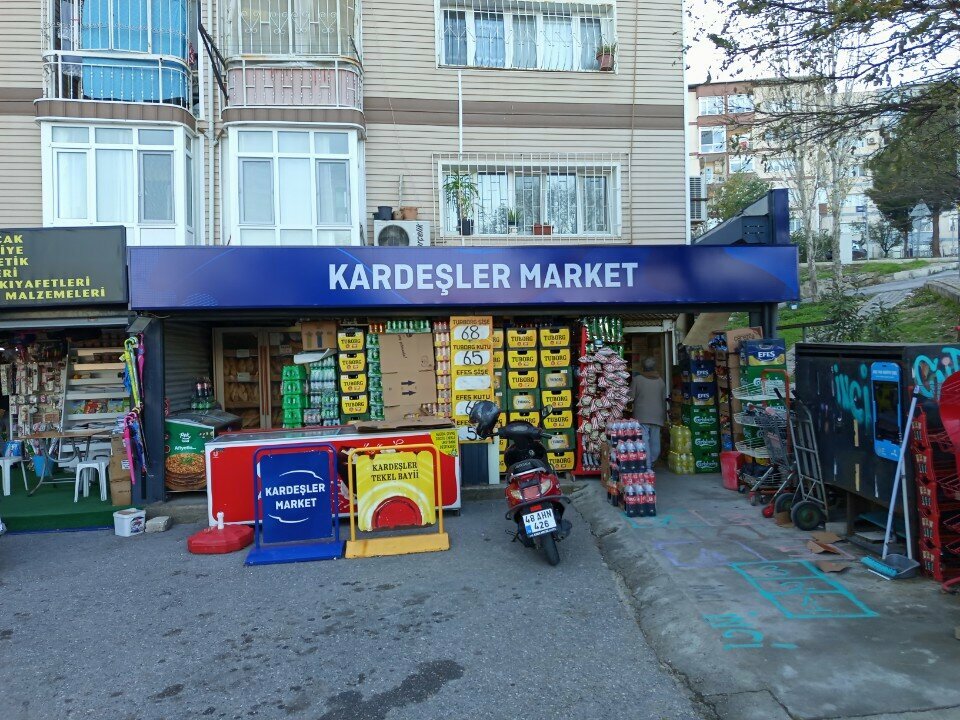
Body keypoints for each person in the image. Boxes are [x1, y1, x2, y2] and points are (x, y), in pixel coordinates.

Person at [629, 357, 667, 466]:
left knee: (644, 439)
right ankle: (652, 460)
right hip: (657, 415)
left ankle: (647, 464)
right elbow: (663, 397)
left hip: (642, 415)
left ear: (643, 367)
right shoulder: (660, 381)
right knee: (655, 440)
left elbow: (630, 397)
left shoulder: (638, 380)